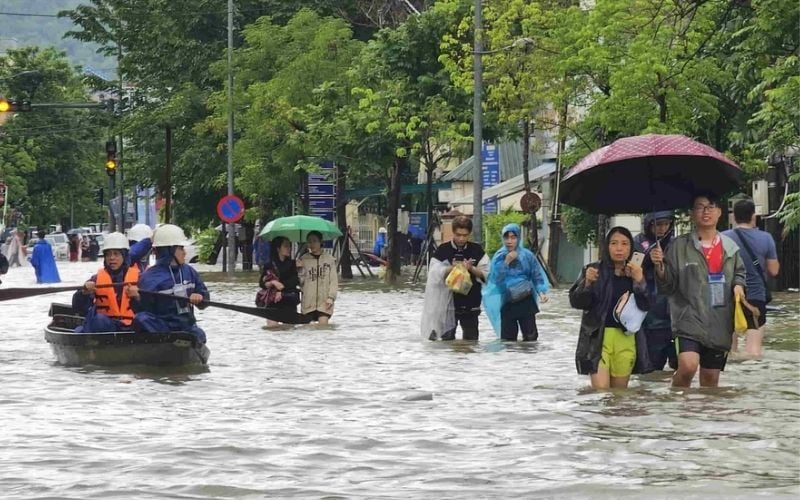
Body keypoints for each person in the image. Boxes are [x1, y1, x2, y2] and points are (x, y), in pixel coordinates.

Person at [652, 194, 746, 388]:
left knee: (711, 380)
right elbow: (667, 286)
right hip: (688, 319)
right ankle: (676, 401)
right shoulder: (679, 246)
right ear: (692, 213)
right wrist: (660, 267)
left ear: (720, 212)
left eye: (711, 207)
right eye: (700, 207)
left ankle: (701, 417)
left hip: (720, 321)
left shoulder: (731, 248)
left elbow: (740, 273)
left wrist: (738, 286)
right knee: (688, 366)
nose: (706, 212)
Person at [569, 227, 650, 389]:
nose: (619, 248)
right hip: (598, 339)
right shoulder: (593, 270)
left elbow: (646, 305)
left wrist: (640, 281)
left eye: (624, 244)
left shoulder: (636, 271)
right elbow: (577, 302)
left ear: (631, 248)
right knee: (601, 392)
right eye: (614, 243)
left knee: (618, 398)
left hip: (626, 339)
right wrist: (587, 284)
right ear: (607, 247)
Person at [127, 224, 209, 342]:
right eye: (180, 248)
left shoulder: (189, 271)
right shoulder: (149, 277)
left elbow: (204, 299)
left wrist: (200, 297)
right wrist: (137, 297)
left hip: (186, 327)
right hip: (162, 327)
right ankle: (166, 344)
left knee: (200, 334)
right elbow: (141, 309)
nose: (184, 252)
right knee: (141, 319)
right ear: (168, 251)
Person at [722, 199, 780, 357]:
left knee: (728, 350)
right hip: (756, 296)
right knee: (754, 352)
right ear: (754, 216)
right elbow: (774, 271)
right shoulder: (766, 238)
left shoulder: (722, 238)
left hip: (729, 296)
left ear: (733, 216)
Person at [422, 215, 488, 341]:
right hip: (447, 306)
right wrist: (451, 268)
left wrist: (471, 269)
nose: (461, 238)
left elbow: (487, 274)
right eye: (458, 235)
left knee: (471, 342)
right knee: (445, 343)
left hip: (471, 305)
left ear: (470, 234)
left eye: (465, 235)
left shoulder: (477, 250)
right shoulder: (442, 250)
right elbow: (433, 274)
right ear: (453, 232)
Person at [483, 223, 549, 341]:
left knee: (531, 339)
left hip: (526, 301)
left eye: (513, 237)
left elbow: (536, 276)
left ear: (518, 238)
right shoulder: (499, 257)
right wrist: (506, 262)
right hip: (508, 302)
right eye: (506, 237)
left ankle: (528, 360)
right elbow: (495, 280)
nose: (509, 241)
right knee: (508, 341)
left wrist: (542, 293)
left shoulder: (527, 256)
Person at [633, 211, 677, 371]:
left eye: (666, 224)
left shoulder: (674, 244)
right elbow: (633, 267)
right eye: (658, 224)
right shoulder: (638, 242)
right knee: (652, 366)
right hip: (650, 313)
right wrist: (648, 259)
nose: (662, 228)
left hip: (673, 312)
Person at [72, 232, 139, 332]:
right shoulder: (96, 279)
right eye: (108, 254)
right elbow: (78, 308)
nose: (112, 258)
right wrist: (84, 293)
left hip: (131, 327)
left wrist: (138, 296)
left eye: (116, 254)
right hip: (106, 325)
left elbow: (150, 306)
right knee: (96, 320)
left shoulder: (139, 278)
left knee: (144, 320)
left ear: (124, 256)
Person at [297, 231, 338, 324]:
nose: (312, 244)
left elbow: (333, 281)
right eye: (309, 241)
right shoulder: (304, 259)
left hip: (324, 302)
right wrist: (300, 270)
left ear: (321, 242)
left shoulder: (329, 260)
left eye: (315, 241)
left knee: (323, 328)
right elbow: (301, 283)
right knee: (308, 332)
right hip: (308, 303)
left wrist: (331, 298)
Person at [259, 236, 301, 327]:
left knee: (289, 330)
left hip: (288, 300)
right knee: (272, 329)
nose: (288, 249)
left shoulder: (292, 264)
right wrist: (273, 283)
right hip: (273, 301)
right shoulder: (269, 264)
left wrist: (281, 291)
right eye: (285, 246)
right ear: (278, 248)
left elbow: (294, 282)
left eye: (289, 246)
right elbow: (261, 283)